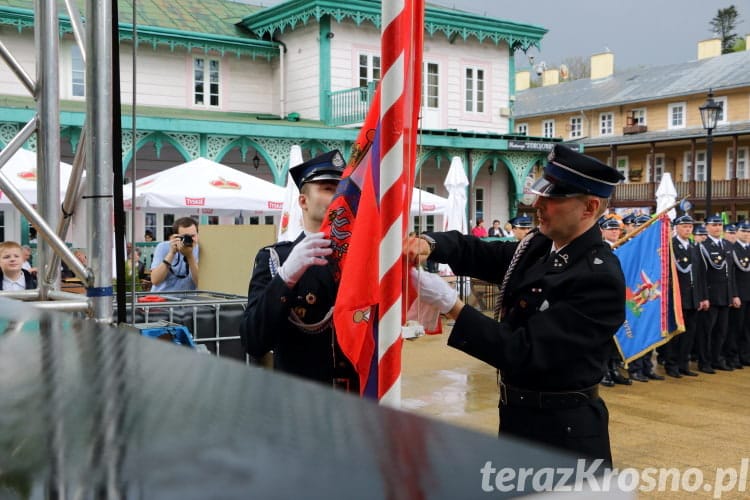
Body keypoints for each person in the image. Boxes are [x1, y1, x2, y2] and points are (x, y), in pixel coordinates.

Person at [406, 144, 625, 466]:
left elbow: (524, 351)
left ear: (589, 207)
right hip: (520, 416)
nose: (538, 205)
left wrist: (451, 305)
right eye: (540, 195)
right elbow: (481, 253)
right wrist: (431, 243)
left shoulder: (597, 276)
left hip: (564, 432)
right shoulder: (539, 246)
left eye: (552, 199)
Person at [240, 150, 358, 391]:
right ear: (303, 201)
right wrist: (285, 278)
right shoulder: (276, 259)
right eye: (328, 188)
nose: (339, 196)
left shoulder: (362, 261)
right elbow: (253, 341)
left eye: (342, 188)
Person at [664, 215, 708, 378]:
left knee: (690, 333)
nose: (688, 229)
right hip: (677, 297)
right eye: (684, 227)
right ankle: (672, 364)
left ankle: (684, 364)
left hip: (693, 297)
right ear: (676, 228)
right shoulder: (670, 246)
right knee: (676, 333)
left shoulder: (693, 247)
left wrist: (703, 297)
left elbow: (700, 275)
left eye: (690, 227)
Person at [697, 215, 740, 373]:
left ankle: (717, 358)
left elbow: (732, 274)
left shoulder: (727, 245)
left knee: (722, 331)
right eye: (714, 225)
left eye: (720, 225)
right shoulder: (703, 246)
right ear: (706, 226)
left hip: (726, 295)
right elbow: (701, 275)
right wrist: (704, 297)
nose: (717, 228)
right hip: (711, 295)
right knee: (707, 331)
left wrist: (734, 294)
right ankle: (705, 361)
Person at [149, 217, 199, 292]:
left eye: (193, 236)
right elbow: (155, 280)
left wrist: (190, 256)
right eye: (185, 236)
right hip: (161, 298)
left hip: (189, 300)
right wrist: (171, 253)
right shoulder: (163, 247)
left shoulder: (201, 250)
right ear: (176, 236)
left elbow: (200, 283)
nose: (190, 240)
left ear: (198, 234)